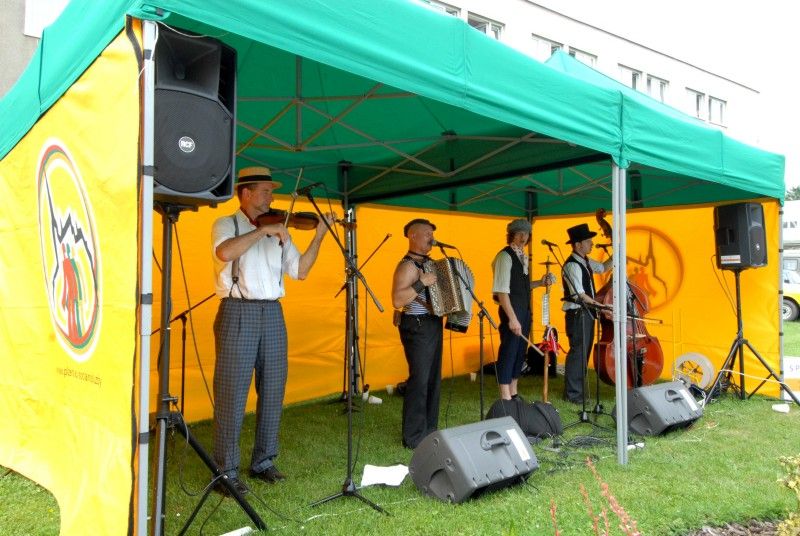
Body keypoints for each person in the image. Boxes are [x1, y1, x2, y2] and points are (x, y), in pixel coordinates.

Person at [211, 166, 332, 495]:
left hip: (272, 312)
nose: (272, 198)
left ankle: (263, 460)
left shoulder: (281, 230)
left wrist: (319, 236)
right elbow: (224, 253)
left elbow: (301, 271)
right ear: (246, 194)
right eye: (266, 191)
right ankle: (225, 471)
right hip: (238, 310)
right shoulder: (227, 224)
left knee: (274, 389)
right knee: (232, 394)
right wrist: (263, 232)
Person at [491, 218, 556, 401]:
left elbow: (521, 286)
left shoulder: (522, 256)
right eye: (520, 233)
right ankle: (505, 395)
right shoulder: (504, 256)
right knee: (509, 350)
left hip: (524, 310)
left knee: (520, 352)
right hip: (512, 310)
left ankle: (514, 391)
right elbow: (502, 291)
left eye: (526, 234)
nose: (523, 237)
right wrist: (512, 318)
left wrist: (540, 282)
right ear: (512, 235)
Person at [391, 218, 442, 449]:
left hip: (432, 323)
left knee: (432, 378)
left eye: (432, 234)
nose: (431, 238)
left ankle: (429, 429)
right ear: (412, 236)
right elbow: (397, 299)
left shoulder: (429, 264)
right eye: (427, 234)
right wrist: (421, 283)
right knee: (419, 380)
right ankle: (413, 436)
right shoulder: (407, 266)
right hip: (417, 325)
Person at [561, 223, 613, 404]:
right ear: (577, 245)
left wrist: (618, 253)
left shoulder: (585, 261)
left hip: (586, 313)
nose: (592, 243)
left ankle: (578, 392)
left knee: (584, 352)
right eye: (588, 241)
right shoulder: (572, 265)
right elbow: (580, 295)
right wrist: (602, 306)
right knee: (578, 353)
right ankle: (573, 395)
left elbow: (603, 268)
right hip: (578, 314)